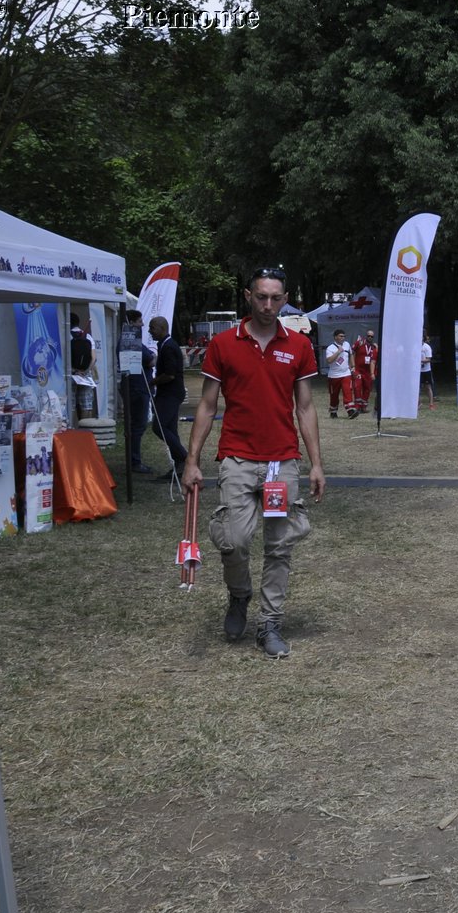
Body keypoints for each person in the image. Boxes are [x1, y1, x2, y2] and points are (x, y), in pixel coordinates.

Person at [181, 268, 324, 659]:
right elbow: (208, 406)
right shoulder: (224, 344)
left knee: (280, 546)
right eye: (261, 297)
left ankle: (270, 623)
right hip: (237, 458)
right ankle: (239, 595)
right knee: (235, 540)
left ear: (286, 297)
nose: (268, 305)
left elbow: (306, 407)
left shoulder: (298, 345)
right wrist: (192, 461)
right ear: (248, 295)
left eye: (276, 298)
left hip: (282, 462)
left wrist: (316, 463)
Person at [148, 316, 188, 476]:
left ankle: (184, 456)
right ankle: (179, 466)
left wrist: (153, 382)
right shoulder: (165, 345)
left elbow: (170, 374)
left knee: (159, 427)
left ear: (162, 328)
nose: (150, 331)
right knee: (170, 428)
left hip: (170, 393)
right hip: (169, 393)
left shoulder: (169, 347)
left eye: (152, 328)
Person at [118, 309, 155, 472]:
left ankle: (133, 459)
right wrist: (153, 357)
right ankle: (134, 461)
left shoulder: (125, 341)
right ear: (131, 323)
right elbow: (150, 360)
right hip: (138, 387)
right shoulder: (133, 341)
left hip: (133, 385)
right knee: (138, 425)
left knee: (135, 425)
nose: (143, 324)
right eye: (140, 321)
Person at [325, 329, 357, 418]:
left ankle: (350, 410)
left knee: (348, 392)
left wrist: (353, 366)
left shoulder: (347, 344)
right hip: (334, 376)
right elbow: (329, 360)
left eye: (344, 336)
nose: (343, 338)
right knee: (334, 395)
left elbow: (351, 354)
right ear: (335, 337)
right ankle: (333, 411)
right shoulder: (330, 348)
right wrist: (338, 352)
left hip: (346, 373)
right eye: (341, 336)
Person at [353, 329, 379, 411]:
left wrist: (377, 348)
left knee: (367, 389)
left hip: (368, 372)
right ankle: (357, 406)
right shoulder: (359, 343)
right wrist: (352, 366)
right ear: (366, 336)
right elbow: (351, 352)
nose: (370, 337)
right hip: (358, 370)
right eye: (368, 336)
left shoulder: (373, 347)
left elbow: (375, 360)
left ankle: (364, 406)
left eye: (372, 336)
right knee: (357, 387)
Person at [420, 332, 436, 408]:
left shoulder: (427, 347)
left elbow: (428, 359)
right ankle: (418, 403)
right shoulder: (415, 346)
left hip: (426, 370)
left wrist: (420, 361)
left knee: (428, 387)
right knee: (417, 388)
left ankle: (431, 404)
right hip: (418, 371)